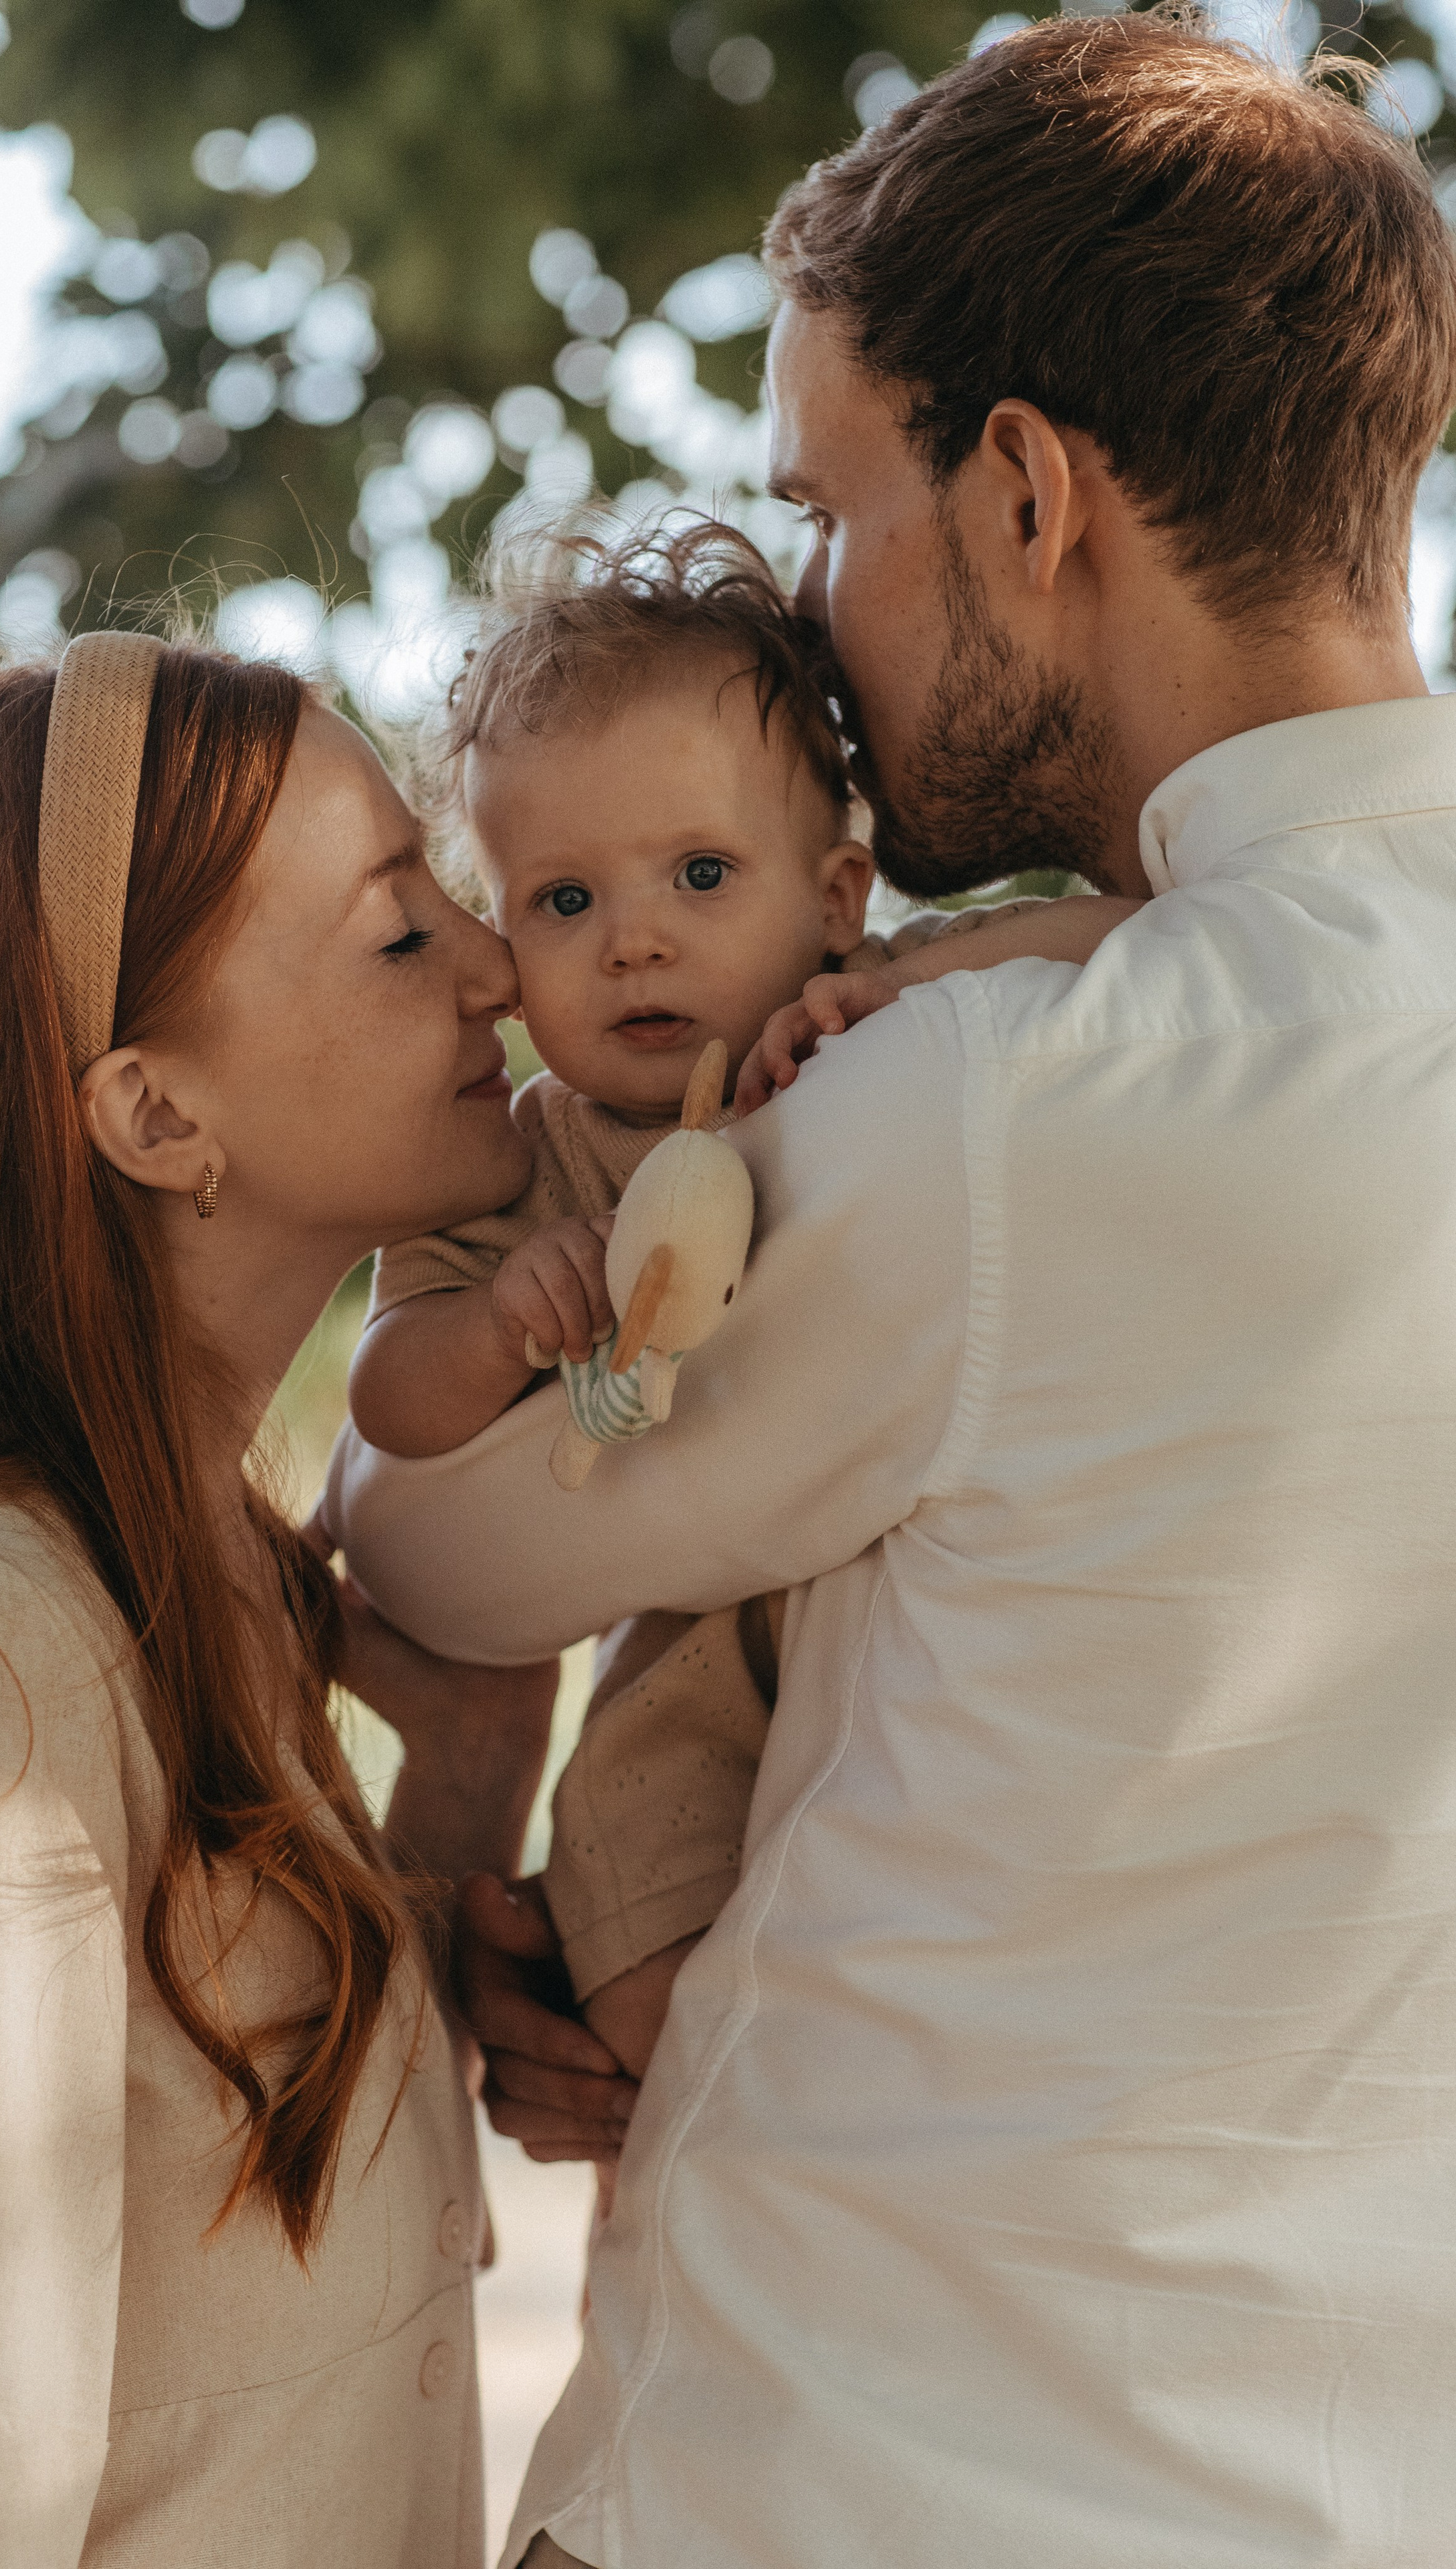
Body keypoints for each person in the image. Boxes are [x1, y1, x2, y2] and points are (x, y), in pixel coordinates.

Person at [322, 17, 1456, 2566]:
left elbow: (438, 1557)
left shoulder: (1000, 1104)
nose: (817, 606)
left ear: (1030, 490)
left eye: (831, 507)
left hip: (857, 2484)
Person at [0, 633, 595, 2568]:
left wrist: (461, 1783)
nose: (496, 965)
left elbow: (228, 2300)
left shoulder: (211, 1576)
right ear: (151, 1117)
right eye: (398, 934)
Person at [347, 517, 1132, 2079]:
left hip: (927, 1641)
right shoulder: (523, 1161)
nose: (631, 938)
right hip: (690, 1670)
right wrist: (506, 1316)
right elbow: (386, 1401)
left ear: (835, 893)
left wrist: (899, 991)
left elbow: (1118, 936)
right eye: (559, 901)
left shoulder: (875, 1028)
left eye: (700, 875)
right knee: (646, 1991)